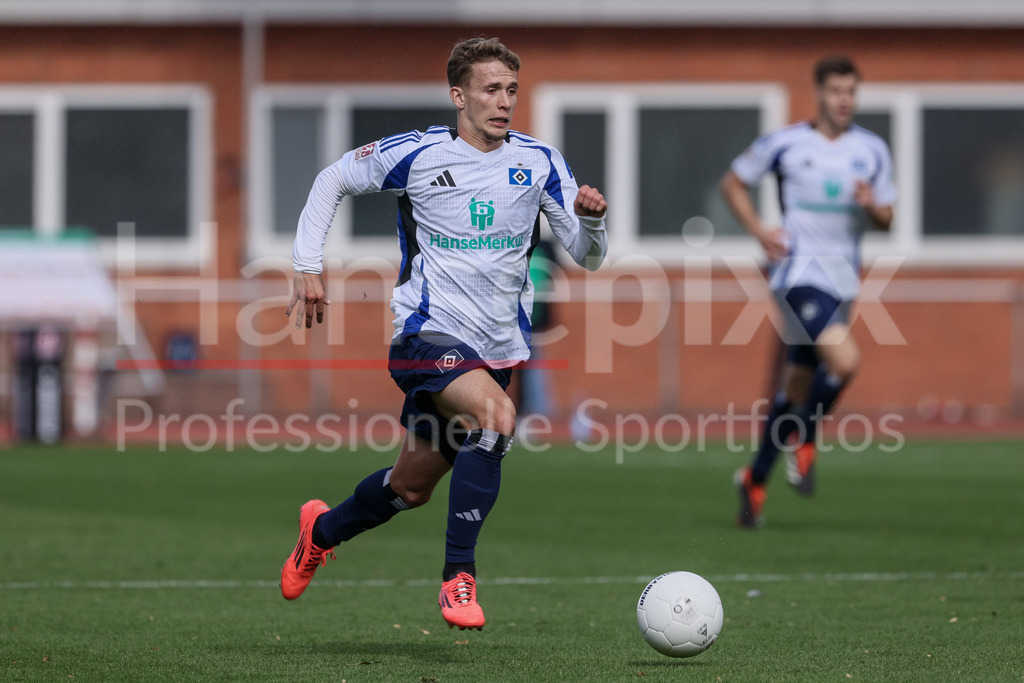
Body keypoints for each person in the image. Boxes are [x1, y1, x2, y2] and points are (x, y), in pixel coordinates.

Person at [281, 37, 608, 629]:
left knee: (409, 489)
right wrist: (307, 265)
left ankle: (319, 532)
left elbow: (587, 257)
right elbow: (332, 179)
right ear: (459, 96)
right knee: (497, 419)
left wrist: (593, 223)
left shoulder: (541, 162)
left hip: (497, 351)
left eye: (511, 89)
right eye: (490, 89)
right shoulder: (418, 153)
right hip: (424, 337)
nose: (503, 101)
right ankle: (459, 578)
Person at [720, 54, 896, 528]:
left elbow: (888, 218)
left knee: (795, 387)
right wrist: (759, 230)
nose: (844, 100)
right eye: (836, 91)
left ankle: (754, 479)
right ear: (818, 93)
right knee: (845, 362)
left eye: (851, 92)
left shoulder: (872, 150)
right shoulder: (786, 144)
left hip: (843, 282)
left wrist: (871, 205)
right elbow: (733, 182)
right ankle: (804, 435)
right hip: (797, 276)